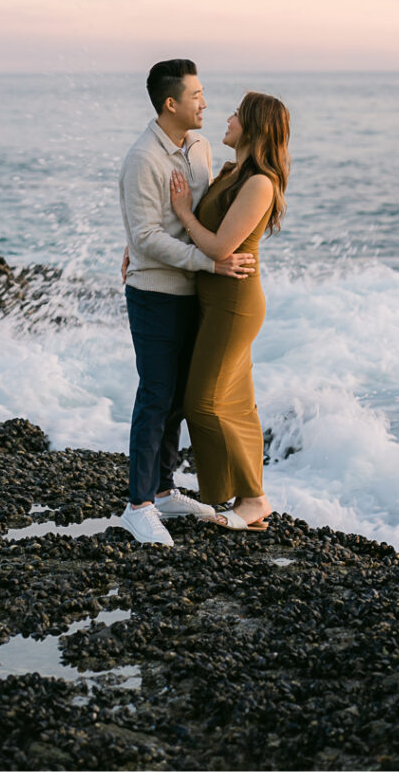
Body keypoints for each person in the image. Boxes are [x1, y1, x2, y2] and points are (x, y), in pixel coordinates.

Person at [118, 59, 256, 546]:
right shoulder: (143, 159)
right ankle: (137, 506)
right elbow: (148, 235)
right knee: (155, 396)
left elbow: (187, 216)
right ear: (170, 103)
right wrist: (209, 262)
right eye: (196, 95)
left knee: (177, 397)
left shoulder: (197, 147)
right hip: (155, 293)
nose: (205, 103)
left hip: (191, 292)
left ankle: (162, 487)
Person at [169, 91, 290, 531]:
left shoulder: (259, 183)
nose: (227, 118)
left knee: (202, 402)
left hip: (235, 302)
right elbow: (207, 241)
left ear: (254, 126)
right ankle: (246, 498)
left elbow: (221, 247)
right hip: (212, 298)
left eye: (236, 114)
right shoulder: (231, 172)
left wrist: (184, 213)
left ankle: (254, 498)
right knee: (236, 402)